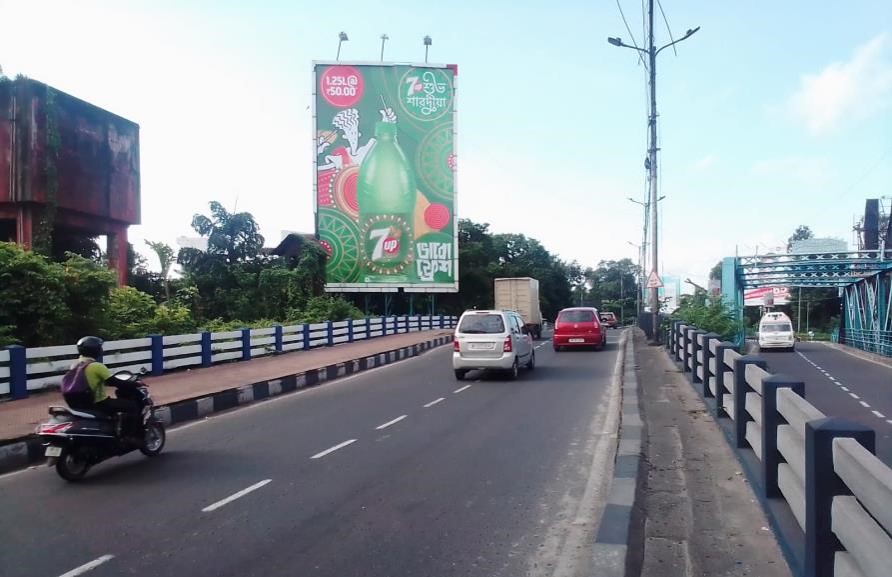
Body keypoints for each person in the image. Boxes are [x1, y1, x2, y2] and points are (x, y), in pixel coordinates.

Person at [62, 336, 141, 439]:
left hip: (77, 404)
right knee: (132, 406)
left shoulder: (74, 364)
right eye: (100, 347)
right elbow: (115, 382)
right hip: (97, 403)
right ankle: (128, 436)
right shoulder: (97, 366)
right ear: (95, 350)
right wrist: (135, 384)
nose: (101, 349)